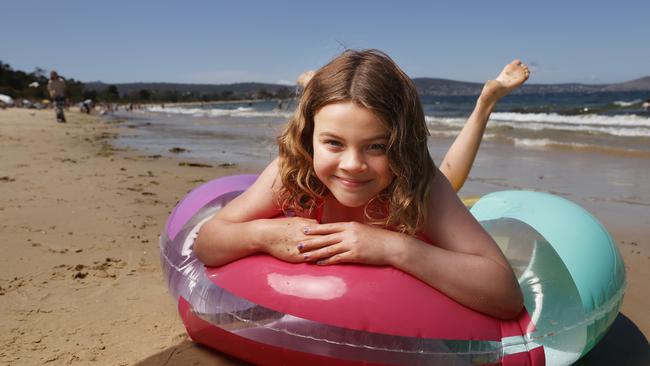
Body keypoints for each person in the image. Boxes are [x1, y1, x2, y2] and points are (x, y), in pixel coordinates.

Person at [194, 49, 530, 319]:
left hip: (405, 191)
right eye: (334, 143)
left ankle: (484, 104)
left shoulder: (418, 181)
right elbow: (207, 242)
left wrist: (392, 247)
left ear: (402, 145)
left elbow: (505, 295)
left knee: (449, 177)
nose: (353, 164)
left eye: (377, 146)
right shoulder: (293, 172)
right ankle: (315, 86)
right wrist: (263, 235)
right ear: (309, 137)